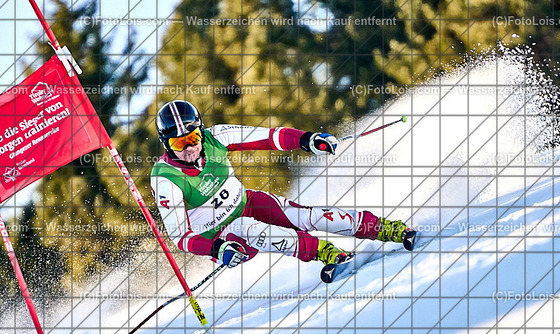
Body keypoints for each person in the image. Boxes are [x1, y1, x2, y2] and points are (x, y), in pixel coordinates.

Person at [150, 100, 415, 282]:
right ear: (166, 144)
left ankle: (387, 228)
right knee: (245, 227)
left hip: (247, 203)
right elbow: (181, 237)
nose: (189, 148)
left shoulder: (216, 137)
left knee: (306, 217)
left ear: (201, 131)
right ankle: (325, 252)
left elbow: (270, 137)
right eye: (179, 143)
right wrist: (217, 249)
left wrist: (307, 139)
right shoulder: (166, 178)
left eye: (193, 138)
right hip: (224, 238)